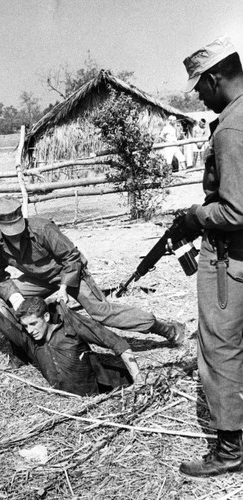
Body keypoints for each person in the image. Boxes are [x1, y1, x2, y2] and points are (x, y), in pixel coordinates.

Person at [0, 196, 185, 369]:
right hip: (37, 279)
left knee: (101, 312)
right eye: (8, 230)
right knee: (6, 305)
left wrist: (64, 287)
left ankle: (165, 328)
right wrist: (17, 299)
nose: (15, 234)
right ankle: (25, 350)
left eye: (17, 227)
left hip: (68, 273)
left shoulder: (42, 229)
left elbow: (71, 258)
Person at [179, 35, 243, 477]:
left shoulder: (232, 127)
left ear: (215, 78)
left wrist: (198, 215)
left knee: (219, 347)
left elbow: (236, 209)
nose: (200, 97)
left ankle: (229, 449)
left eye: (200, 87)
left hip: (230, 259)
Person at [0, 296, 135, 396]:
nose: (30, 330)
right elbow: (1, 323)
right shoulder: (32, 343)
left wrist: (139, 378)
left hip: (108, 388)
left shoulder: (71, 331)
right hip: (71, 402)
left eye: (34, 323)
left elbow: (117, 343)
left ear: (46, 317)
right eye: (26, 326)